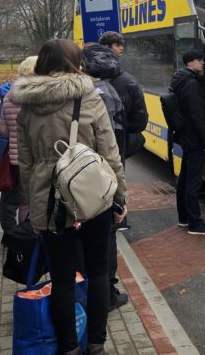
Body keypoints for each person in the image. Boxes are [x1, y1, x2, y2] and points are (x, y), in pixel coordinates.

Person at [13, 39, 127, 355]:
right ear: (77, 62)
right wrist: (119, 196)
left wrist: (35, 210)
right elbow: (110, 153)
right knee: (99, 270)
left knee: (61, 277)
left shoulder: (27, 106)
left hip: (48, 200)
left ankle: (67, 347)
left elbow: (26, 164)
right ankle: (96, 344)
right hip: (91, 197)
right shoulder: (90, 99)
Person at [81, 43, 133, 312]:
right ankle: (106, 300)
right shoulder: (107, 94)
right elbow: (112, 152)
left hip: (65, 185)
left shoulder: (40, 96)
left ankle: (78, 299)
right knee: (102, 251)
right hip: (99, 183)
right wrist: (120, 198)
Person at [170, 49, 205, 235]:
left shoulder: (180, 79)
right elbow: (198, 115)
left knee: (184, 179)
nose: (203, 63)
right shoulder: (191, 84)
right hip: (194, 138)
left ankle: (183, 218)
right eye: (199, 60)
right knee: (193, 182)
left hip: (186, 136)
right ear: (190, 63)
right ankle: (195, 224)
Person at [0, 56, 38, 240]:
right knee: (31, 202)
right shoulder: (40, 98)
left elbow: (3, 131)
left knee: (16, 200)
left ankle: (15, 236)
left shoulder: (9, 96)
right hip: (37, 156)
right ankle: (30, 237)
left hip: (16, 158)